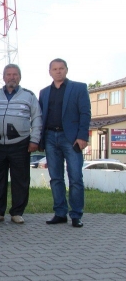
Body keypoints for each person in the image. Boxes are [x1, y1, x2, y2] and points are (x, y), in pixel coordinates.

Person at [0, 64, 42, 225]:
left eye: (15, 74)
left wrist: (35, 140)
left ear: (19, 77)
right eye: (8, 74)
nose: (11, 77)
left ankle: (17, 213)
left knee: (20, 179)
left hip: (20, 144)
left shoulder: (29, 96)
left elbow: (37, 119)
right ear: (4, 77)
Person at [39, 58, 91, 228]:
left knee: (75, 177)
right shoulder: (44, 92)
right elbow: (41, 117)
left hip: (71, 138)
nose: (58, 71)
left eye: (61, 68)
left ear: (66, 70)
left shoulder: (79, 88)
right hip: (50, 137)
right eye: (55, 69)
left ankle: (76, 215)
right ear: (50, 72)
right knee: (55, 178)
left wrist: (82, 137)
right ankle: (60, 213)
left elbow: (85, 113)